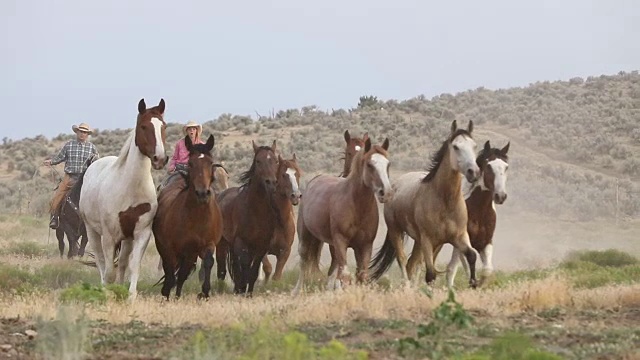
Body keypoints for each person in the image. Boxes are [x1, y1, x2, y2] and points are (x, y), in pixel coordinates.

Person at [43, 122, 100, 229]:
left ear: (87, 134)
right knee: (58, 195)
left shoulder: (92, 148)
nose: (82, 134)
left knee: (97, 197)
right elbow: (60, 157)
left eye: (85, 132)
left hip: (85, 179)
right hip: (70, 177)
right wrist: (51, 162)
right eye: (81, 132)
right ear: (77, 132)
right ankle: (55, 217)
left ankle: (98, 220)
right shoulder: (69, 145)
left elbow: (96, 163)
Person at [160, 120, 205, 189]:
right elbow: (175, 158)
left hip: (195, 170)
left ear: (197, 131)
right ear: (187, 131)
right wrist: (172, 166)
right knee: (166, 185)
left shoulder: (201, 145)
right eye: (189, 129)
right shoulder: (180, 143)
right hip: (180, 169)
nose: (192, 131)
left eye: (194, 129)